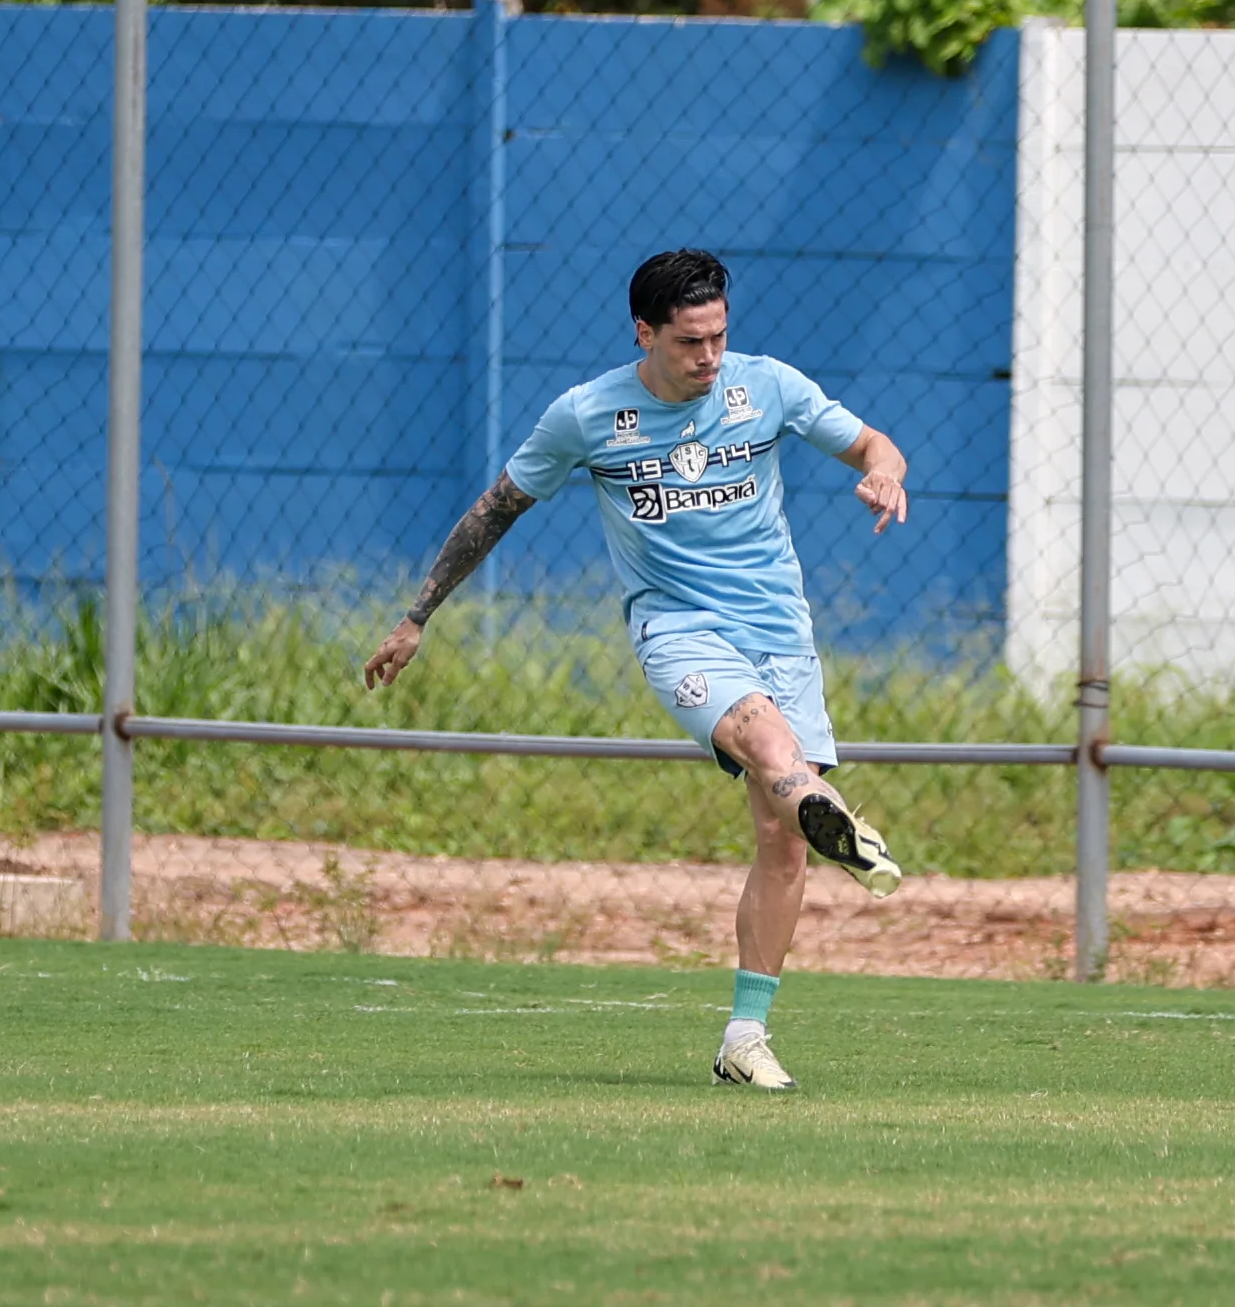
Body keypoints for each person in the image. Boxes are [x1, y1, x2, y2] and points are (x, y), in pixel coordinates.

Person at [363, 248, 908, 1091]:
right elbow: (497, 508)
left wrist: (882, 473)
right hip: (677, 630)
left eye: (719, 337)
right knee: (771, 754)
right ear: (644, 333)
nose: (709, 357)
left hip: (778, 633)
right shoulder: (586, 416)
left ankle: (744, 1037)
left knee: (781, 840)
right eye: (690, 342)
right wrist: (416, 616)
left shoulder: (766, 387)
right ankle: (831, 815)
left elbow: (873, 442)